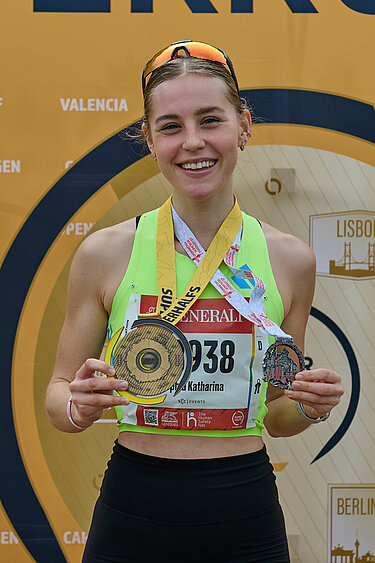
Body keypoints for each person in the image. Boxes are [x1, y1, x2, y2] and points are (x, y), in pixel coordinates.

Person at [45, 40, 344, 563]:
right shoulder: (104, 252)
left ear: (243, 125)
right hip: (132, 507)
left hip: (244, 513)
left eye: (210, 120)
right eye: (171, 126)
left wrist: (310, 406)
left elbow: (276, 412)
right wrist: (79, 405)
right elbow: (57, 398)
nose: (193, 143)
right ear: (149, 138)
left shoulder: (291, 260)